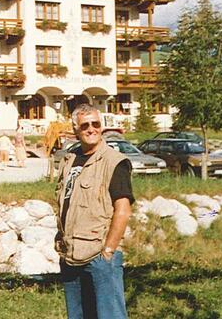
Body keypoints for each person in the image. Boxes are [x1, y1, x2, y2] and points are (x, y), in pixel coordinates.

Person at [55, 104, 134, 318]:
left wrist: (108, 251)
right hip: (70, 254)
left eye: (96, 124)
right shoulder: (69, 160)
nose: (91, 129)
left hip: (99, 256)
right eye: (85, 125)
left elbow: (123, 211)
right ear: (75, 130)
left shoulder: (114, 162)